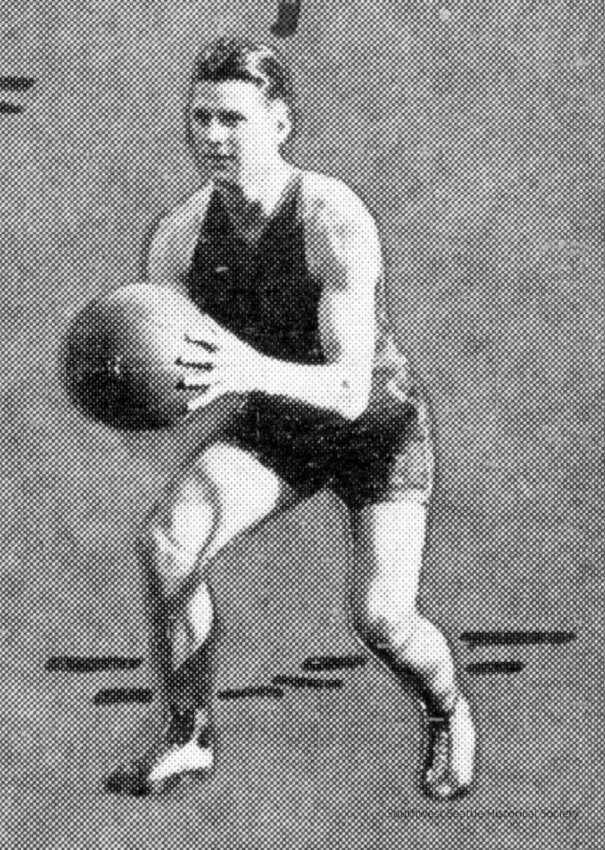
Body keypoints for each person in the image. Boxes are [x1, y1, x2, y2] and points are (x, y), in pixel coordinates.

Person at [104, 35, 476, 799]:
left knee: (382, 620)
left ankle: (445, 707)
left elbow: (347, 389)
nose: (213, 136)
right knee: (169, 542)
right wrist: (133, 381)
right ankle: (187, 733)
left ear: (279, 123)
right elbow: (167, 365)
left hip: (374, 428)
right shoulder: (178, 238)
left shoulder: (331, 217)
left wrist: (243, 371)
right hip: (279, 424)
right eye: (201, 118)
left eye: (232, 119)